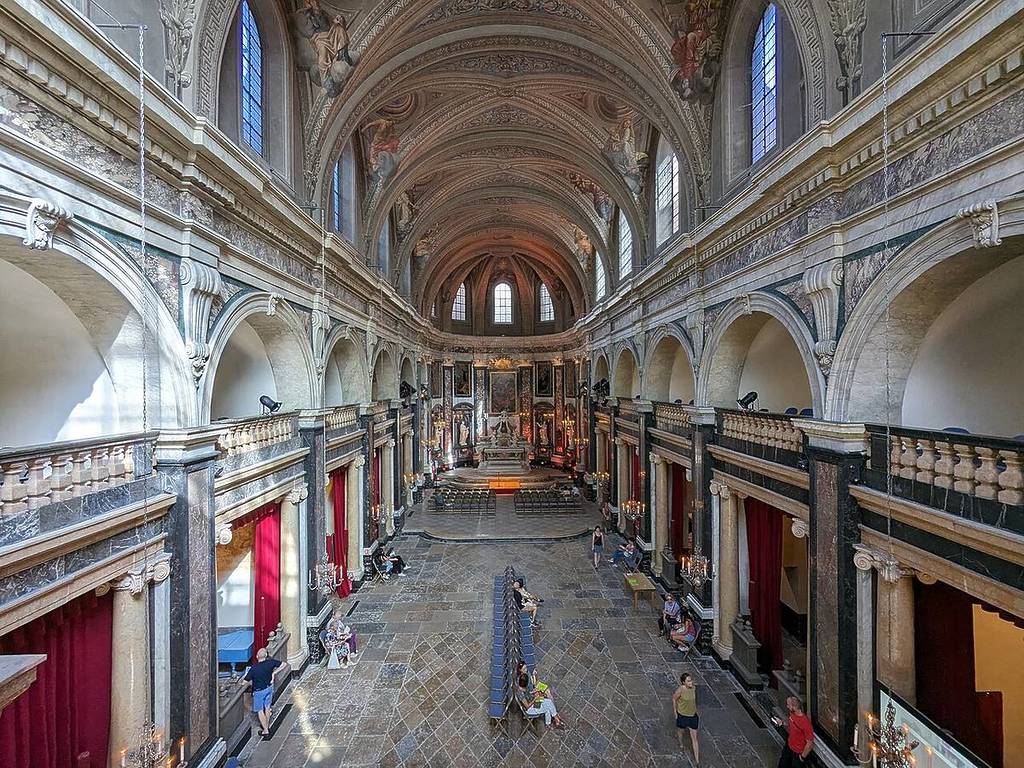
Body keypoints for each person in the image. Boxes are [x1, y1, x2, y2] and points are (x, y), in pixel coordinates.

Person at [243, 647, 282, 737]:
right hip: (269, 688)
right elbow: (283, 664)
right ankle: (267, 725)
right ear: (266, 655)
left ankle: (265, 730)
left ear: (257, 656)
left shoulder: (254, 668)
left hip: (259, 691)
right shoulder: (270, 663)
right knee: (267, 707)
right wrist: (274, 673)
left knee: (260, 710)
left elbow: (245, 681)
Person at [772, 696, 814, 767]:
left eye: (788, 705)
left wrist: (802, 757)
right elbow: (790, 723)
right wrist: (782, 722)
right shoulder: (792, 713)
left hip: (797, 752)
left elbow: (810, 744)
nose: (787, 706)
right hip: (789, 746)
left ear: (793, 706)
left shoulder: (805, 723)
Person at [672, 673, 700, 764]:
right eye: (688, 681)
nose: (691, 682)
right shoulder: (681, 690)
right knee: (681, 731)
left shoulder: (694, 688)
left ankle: (697, 761)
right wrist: (675, 712)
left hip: (692, 716)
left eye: (691, 680)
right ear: (683, 682)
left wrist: (695, 710)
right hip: (683, 716)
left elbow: (693, 701)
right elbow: (674, 698)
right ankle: (681, 744)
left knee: (694, 738)